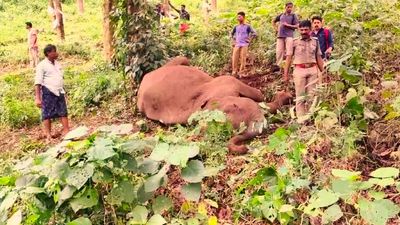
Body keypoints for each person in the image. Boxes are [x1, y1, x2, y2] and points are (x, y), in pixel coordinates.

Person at [284, 20, 324, 120]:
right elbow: (288, 58)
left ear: (310, 30)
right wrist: (286, 74)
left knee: (311, 96)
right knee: (300, 96)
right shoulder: (294, 42)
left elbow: (318, 57)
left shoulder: (315, 41)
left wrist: (323, 72)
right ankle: (301, 120)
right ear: (298, 30)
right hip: (299, 70)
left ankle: (310, 118)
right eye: (301, 30)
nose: (303, 32)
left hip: (313, 70)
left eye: (306, 29)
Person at [35, 44, 69, 140]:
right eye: (54, 51)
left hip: (59, 91)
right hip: (48, 91)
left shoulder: (57, 63)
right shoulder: (42, 65)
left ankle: (66, 130)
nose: (56, 53)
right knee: (47, 113)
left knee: (63, 111)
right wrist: (37, 98)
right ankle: (48, 134)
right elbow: (37, 82)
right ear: (48, 53)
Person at [272, 2, 299, 69]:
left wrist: (288, 25)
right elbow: (273, 21)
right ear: (285, 7)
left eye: (291, 7)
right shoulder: (281, 15)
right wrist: (276, 29)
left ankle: (289, 66)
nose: (290, 9)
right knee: (279, 51)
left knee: (289, 52)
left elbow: (297, 26)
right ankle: (279, 66)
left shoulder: (293, 15)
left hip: (289, 36)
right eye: (288, 7)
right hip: (280, 36)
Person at [231, 12, 257, 77]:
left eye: (239, 16)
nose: (238, 18)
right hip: (237, 44)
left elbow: (254, 33)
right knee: (235, 58)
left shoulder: (247, 26)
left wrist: (249, 39)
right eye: (237, 17)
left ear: (243, 17)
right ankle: (234, 72)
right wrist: (233, 41)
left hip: (244, 44)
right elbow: (231, 34)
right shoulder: (236, 26)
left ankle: (241, 73)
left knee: (243, 58)